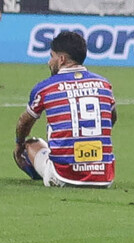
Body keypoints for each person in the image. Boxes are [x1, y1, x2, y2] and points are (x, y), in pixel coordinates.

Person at [13, 29, 116, 188]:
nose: (49, 62)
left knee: (31, 145)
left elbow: (24, 122)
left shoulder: (46, 88)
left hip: (64, 176)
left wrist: (19, 144)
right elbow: (111, 118)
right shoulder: (104, 84)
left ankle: (44, 173)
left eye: (51, 56)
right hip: (103, 176)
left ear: (61, 59)